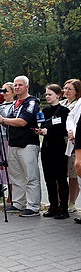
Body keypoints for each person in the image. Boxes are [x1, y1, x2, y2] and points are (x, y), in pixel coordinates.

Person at [0, 75, 41, 217]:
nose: (17, 87)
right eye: (15, 85)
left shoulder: (31, 102)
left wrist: (3, 119)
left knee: (31, 176)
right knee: (16, 175)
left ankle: (33, 206)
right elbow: (9, 121)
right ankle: (18, 203)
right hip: (13, 143)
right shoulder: (14, 104)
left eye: (20, 85)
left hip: (27, 144)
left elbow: (22, 121)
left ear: (27, 87)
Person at [37, 84, 69, 219]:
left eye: (50, 94)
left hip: (59, 147)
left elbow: (65, 131)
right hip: (47, 147)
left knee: (60, 178)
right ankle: (53, 205)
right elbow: (43, 126)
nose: (47, 97)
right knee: (49, 178)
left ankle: (64, 207)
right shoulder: (45, 111)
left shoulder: (64, 111)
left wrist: (49, 131)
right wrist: (40, 130)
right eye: (46, 94)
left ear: (58, 95)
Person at [62, 79, 81, 213]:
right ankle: (61, 200)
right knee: (62, 173)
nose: (66, 91)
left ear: (77, 92)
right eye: (65, 88)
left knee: (74, 173)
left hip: (74, 142)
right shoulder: (62, 103)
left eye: (70, 89)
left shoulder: (78, 103)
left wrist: (72, 132)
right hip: (62, 142)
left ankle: (72, 202)